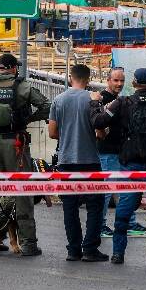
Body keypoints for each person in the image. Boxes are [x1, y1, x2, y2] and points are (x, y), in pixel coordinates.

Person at [92, 68, 146, 265]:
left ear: (133, 83)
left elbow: (98, 121)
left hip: (130, 163)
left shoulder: (122, 103)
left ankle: (118, 254)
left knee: (124, 208)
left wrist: (94, 103)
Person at [0, 53, 51, 257]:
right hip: (17, 144)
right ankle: (28, 244)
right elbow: (47, 106)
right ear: (14, 68)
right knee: (22, 193)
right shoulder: (24, 87)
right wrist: (29, 118)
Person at [49, 64, 108, 262]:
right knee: (94, 206)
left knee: (70, 207)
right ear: (88, 79)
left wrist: (66, 137)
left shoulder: (58, 100)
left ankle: (73, 250)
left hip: (66, 161)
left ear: (69, 77)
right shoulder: (93, 99)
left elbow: (52, 133)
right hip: (90, 161)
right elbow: (100, 132)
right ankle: (90, 249)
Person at [92, 67, 146, 239]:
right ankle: (100, 226)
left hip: (121, 152)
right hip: (107, 152)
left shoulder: (122, 100)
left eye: (122, 80)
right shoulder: (102, 99)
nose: (119, 84)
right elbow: (97, 124)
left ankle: (129, 223)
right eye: (116, 80)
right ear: (108, 80)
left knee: (125, 190)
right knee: (107, 191)